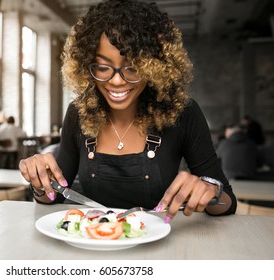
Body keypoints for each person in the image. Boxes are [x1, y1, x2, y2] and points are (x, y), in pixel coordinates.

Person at [19, 0, 237, 222]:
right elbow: (53, 195)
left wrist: (212, 191)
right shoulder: (79, 113)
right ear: (85, 67)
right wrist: (40, 181)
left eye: (132, 68)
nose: (115, 81)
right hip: (97, 243)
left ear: (154, 67)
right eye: (103, 68)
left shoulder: (183, 113)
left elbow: (227, 202)